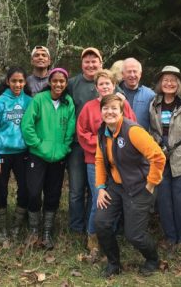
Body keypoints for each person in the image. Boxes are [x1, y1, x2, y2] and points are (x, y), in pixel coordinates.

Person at [94, 93, 166, 277]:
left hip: (139, 188)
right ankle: (113, 264)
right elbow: (100, 160)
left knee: (134, 234)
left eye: (113, 108)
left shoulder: (133, 131)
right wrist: (101, 188)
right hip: (115, 187)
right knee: (101, 223)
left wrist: (151, 184)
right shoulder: (102, 131)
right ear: (101, 110)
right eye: (105, 108)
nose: (109, 112)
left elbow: (158, 157)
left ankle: (152, 259)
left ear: (122, 111)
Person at [77, 69, 135, 259]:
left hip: (118, 161)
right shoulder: (89, 107)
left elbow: (132, 127)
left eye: (107, 84)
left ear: (114, 85)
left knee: (115, 199)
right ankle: (93, 237)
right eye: (101, 84)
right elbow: (82, 133)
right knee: (98, 200)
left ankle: (109, 236)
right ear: (96, 87)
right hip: (94, 161)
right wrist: (102, 144)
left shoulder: (122, 105)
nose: (104, 87)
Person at [147, 65, 181, 251]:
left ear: (179, 84)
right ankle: (170, 237)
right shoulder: (154, 103)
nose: (169, 84)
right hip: (161, 160)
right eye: (165, 80)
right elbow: (152, 131)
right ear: (160, 84)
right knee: (164, 202)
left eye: (173, 80)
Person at [21, 66, 76, 249]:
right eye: (55, 80)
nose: (58, 84)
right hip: (37, 155)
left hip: (58, 156)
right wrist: (37, 144)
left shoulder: (68, 102)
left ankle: (47, 231)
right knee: (34, 192)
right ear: (50, 82)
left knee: (53, 194)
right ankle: (34, 229)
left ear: (66, 83)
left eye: (62, 81)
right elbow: (27, 125)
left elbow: (70, 129)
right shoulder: (39, 99)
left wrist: (64, 148)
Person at [0, 67, 30, 240]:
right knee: (1, 190)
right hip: (3, 154)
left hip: (23, 153)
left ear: (25, 82)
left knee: (25, 189)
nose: (17, 84)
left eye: (21, 81)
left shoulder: (30, 102)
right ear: (7, 82)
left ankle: (17, 225)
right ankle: (2, 228)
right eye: (14, 81)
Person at [67, 47, 103, 238]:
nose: (90, 65)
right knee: (76, 189)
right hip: (77, 145)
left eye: (94, 61)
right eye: (87, 61)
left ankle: (93, 227)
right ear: (82, 64)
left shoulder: (106, 83)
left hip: (101, 146)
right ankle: (76, 227)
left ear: (101, 63)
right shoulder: (72, 83)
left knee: (95, 189)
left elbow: (120, 100)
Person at [116, 58, 155, 128]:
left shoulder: (150, 95)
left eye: (135, 71)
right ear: (122, 74)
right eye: (129, 72)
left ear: (140, 74)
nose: (132, 75)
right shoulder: (114, 93)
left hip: (142, 137)